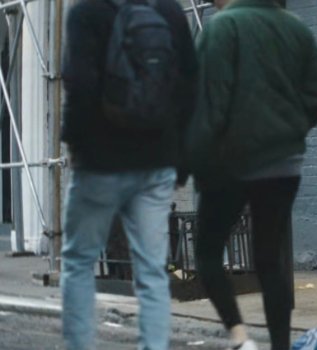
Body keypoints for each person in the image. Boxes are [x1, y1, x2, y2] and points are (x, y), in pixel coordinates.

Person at [187, 0, 317, 348]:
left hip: (231, 163)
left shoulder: (222, 29)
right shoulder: (296, 28)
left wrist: (189, 163)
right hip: (284, 162)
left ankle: (240, 339)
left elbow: (209, 106)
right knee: (269, 259)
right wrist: (290, 130)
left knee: (207, 253)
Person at [60, 0, 197, 348]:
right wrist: (181, 162)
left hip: (100, 163)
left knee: (78, 261)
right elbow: (190, 88)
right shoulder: (169, 11)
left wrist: (77, 148)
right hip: (156, 162)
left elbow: (79, 84)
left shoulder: (87, 12)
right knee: (152, 271)